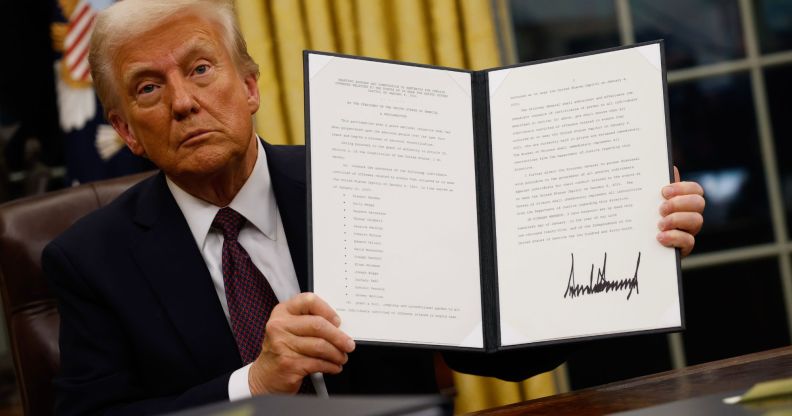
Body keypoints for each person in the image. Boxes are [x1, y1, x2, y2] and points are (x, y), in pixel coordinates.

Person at [42, 0, 706, 414]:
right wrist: (256, 383)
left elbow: (495, 351)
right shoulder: (90, 259)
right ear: (126, 130)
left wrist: (628, 242)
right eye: (149, 87)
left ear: (249, 86)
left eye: (201, 69)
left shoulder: (368, 177)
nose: (183, 101)